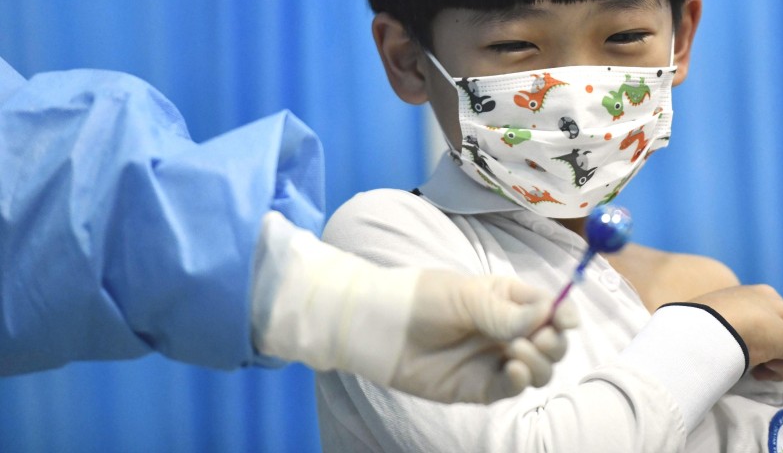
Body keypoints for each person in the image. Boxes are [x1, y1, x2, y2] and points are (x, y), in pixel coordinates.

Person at [315, 0, 783, 452]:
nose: (576, 88)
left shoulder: (700, 285)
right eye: (517, 45)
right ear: (408, 61)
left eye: (626, 34)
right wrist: (713, 334)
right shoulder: (381, 248)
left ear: (680, 40)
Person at [0, 55, 578, 405]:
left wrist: (334, 303)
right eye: (513, 44)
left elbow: (32, 183)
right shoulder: (381, 229)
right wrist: (674, 328)